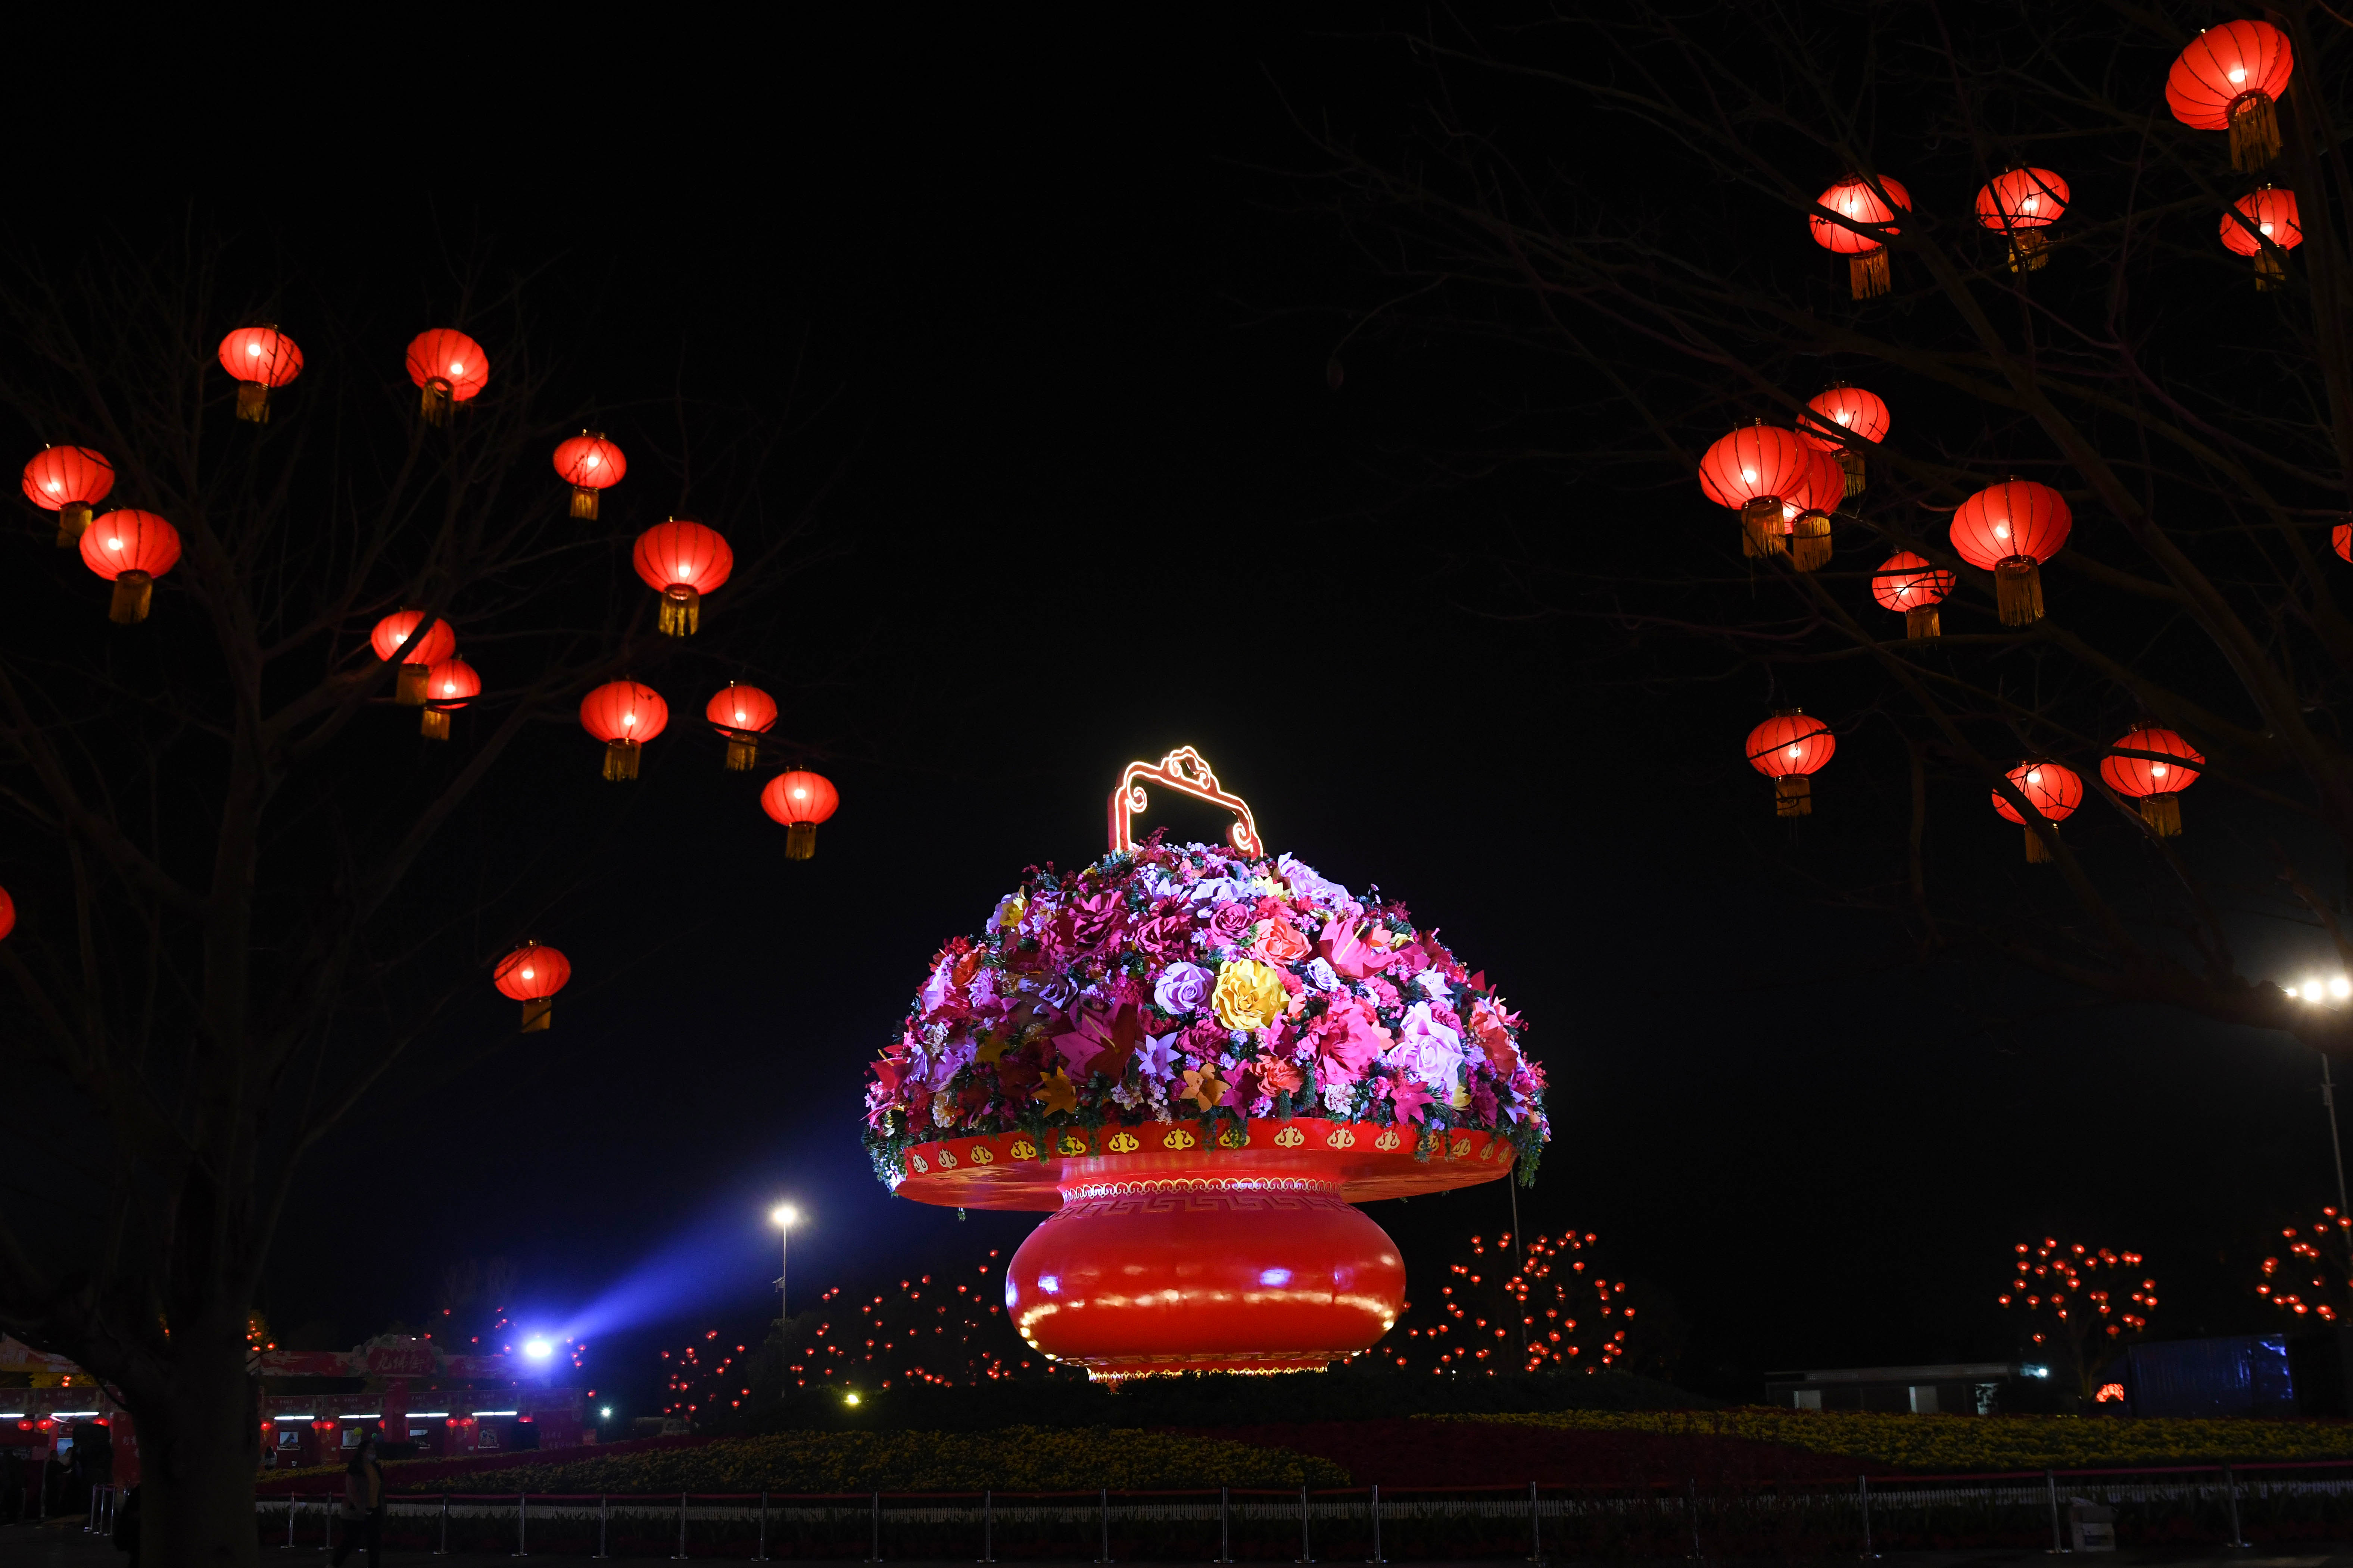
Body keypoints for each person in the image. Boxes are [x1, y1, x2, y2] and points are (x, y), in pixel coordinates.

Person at [331, 1433, 383, 1568]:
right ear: (363, 1452)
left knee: (375, 1543)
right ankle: (335, 1564)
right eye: (370, 1449)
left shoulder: (376, 1468)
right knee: (350, 1541)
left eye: (374, 1449)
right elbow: (352, 1490)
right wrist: (359, 1506)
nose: (373, 1452)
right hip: (356, 1511)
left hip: (374, 1509)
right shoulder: (355, 1468)